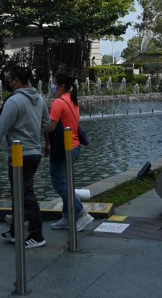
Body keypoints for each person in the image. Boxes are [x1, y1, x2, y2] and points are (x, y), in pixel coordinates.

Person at [0, 68, 50, 249]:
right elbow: (46, 125)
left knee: (25, 194)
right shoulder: (40, 99)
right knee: (19, 193)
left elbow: (0, 127)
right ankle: (14, 231)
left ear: (17, 80)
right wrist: (46, 144)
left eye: (9, 79)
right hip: (34, 153)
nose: (7, 83)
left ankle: (37, 234)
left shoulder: (14, 101)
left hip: (20, 156)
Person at [44, 72, 95, 232]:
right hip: (75, 147)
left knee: (59, 184)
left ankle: (82, 213)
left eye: (54, 84)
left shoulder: (59, 103)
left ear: (62, 86)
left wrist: (39, 128)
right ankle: (67, 217)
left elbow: (51, 127)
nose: (52, 86)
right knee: (66, 183)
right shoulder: (73, 100)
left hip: (62, 149)